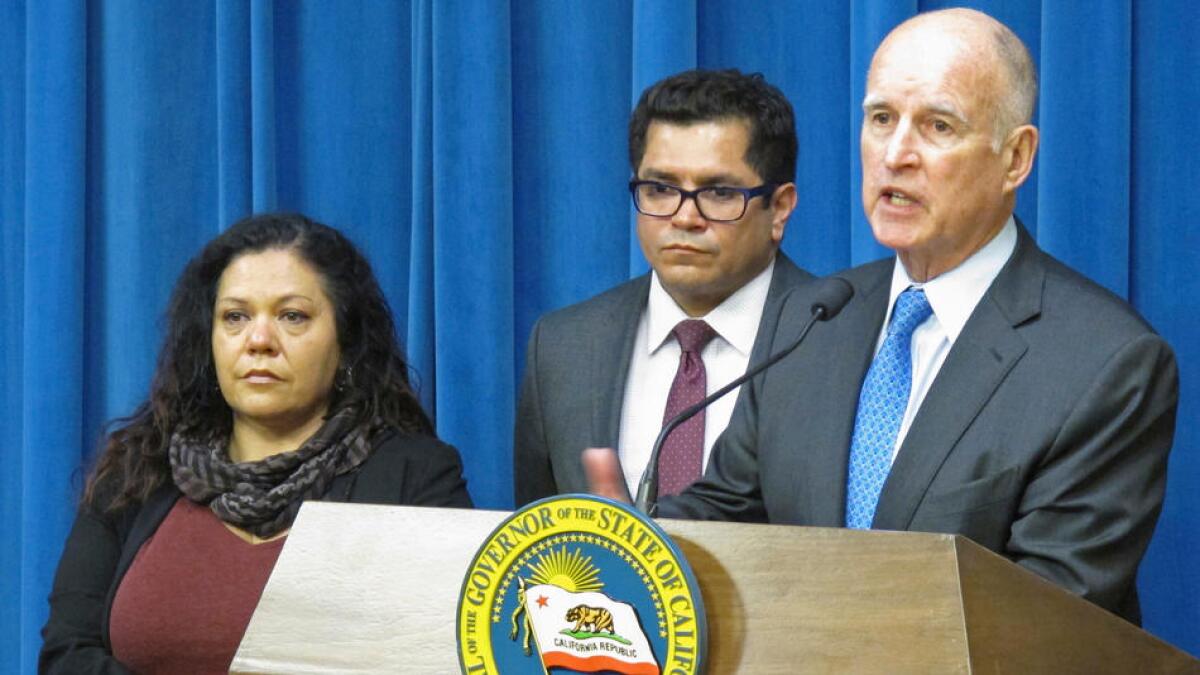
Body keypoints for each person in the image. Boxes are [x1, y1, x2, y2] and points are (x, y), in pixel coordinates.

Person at [586, 8, 1178, 625]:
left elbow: (1047, 616)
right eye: (881, 119)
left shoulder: (1105, 363)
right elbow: (728, 514)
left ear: (1016, 158)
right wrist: (627, 545)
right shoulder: (812, 317)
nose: (896, 154)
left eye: (938, 126)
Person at [40, 213, 473, 673]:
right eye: (235, 317)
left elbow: (444, 658)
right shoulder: (136, 471)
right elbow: (66, 656)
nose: (259, 340)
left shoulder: (416, 478)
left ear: (345, 344)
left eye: (292, 316)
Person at [514, 69, 813, 506]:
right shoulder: (563, 347)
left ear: (780, 208)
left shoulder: (835, 338)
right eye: (659, 189)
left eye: (719, 193)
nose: (684, 218)